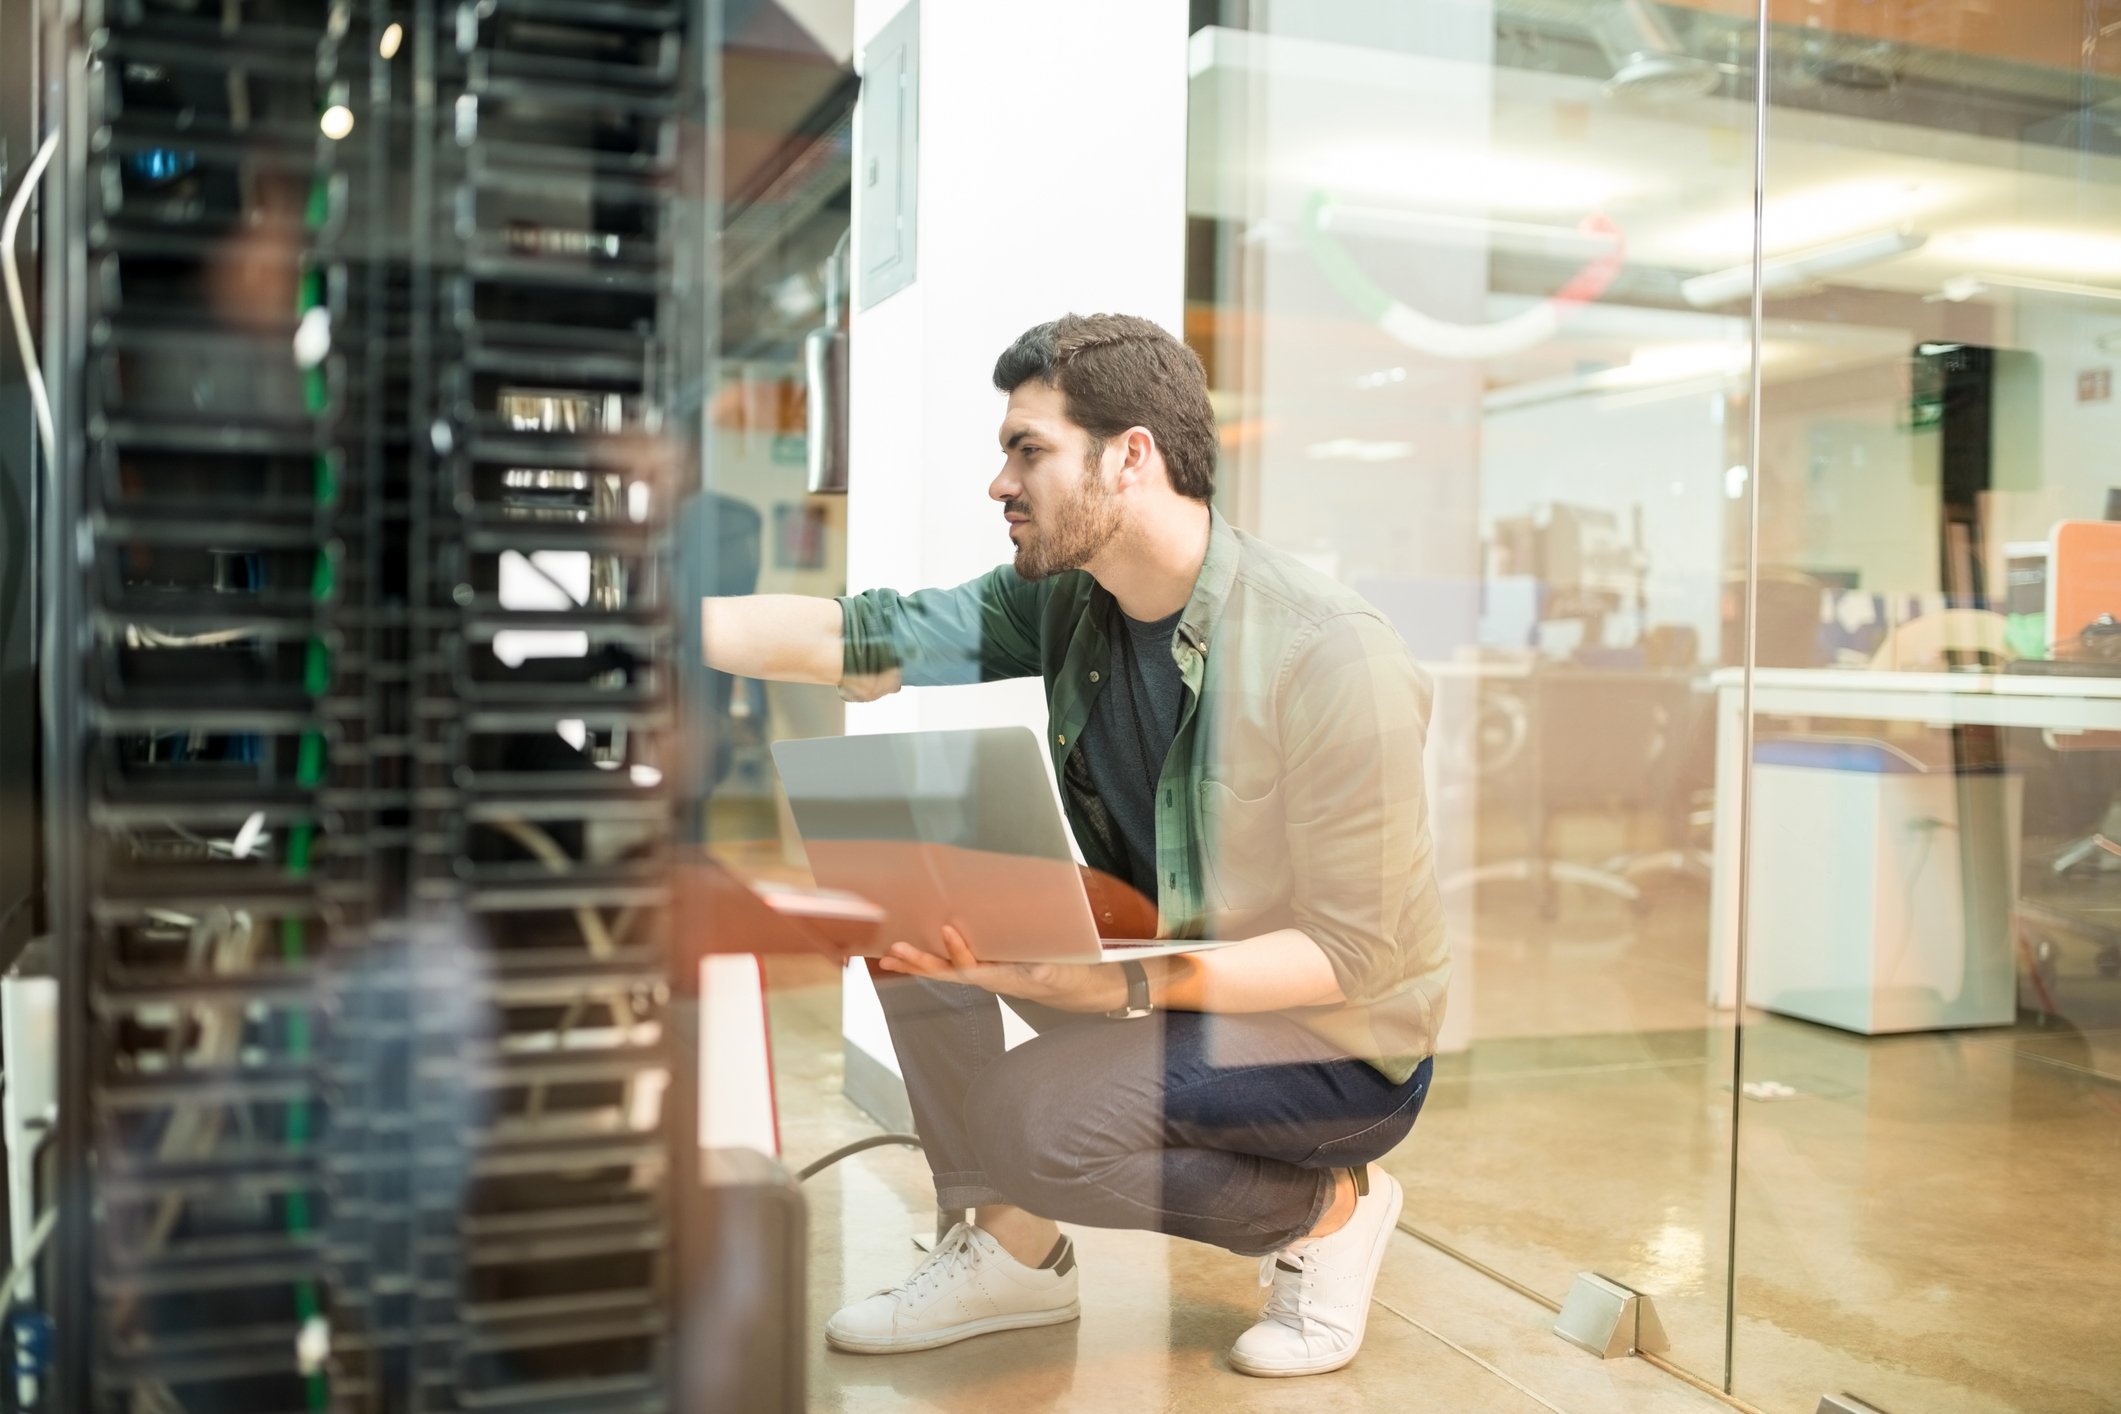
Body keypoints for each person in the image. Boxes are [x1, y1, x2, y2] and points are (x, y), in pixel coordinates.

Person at [702, 313, 1448, 1378]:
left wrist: (1118, 993)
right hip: (1171, 969)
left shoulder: (1330, 656)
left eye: (1028, 449)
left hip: (1334, 1041)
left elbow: (1353, 953)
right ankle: (1014, 1253)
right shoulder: (1067, 601)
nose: (1000, 482)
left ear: (1130, 455)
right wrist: (645, 625)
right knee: (911, 896)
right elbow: (857, 636)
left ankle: (1327, 1207)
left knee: (1033, 1120)